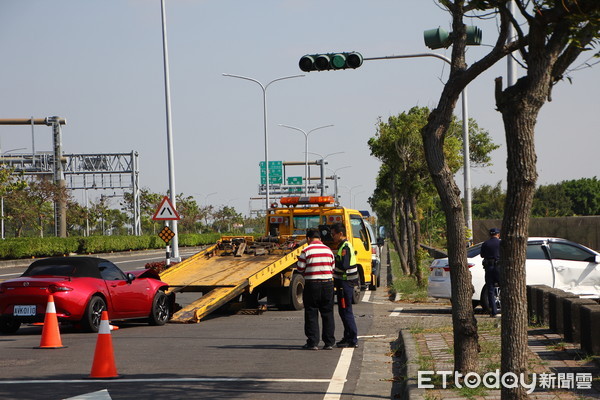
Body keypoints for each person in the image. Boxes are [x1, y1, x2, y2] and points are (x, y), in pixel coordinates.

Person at [296, 227, 336, 350]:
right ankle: (329, 342)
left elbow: (300, 269)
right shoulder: (328, 250)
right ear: (320, 238)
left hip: (312, 284)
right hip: (328, 284)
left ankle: (313, 342)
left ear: (308, 238)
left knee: (311, 312)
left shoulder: (306, 250)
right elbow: (332, 268)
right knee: (328, 313)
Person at [331, 222, 359, 348]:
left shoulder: (345, 247)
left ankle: (352, 338)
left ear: (340, 234)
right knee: (343, 311)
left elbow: (344, 265)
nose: (332, 237)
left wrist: (334, 265)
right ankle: (347, 336)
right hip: (344, 282)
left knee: (346, 311)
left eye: (333, 234)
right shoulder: (343, 245)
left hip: (345, 283)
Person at [480, 227, 501, 317]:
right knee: (503, 288)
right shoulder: (501, 243)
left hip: (489, 267)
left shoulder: (485, 243)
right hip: (499, 267)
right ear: (498, 234)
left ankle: (493, 312)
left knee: (490, 290)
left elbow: (482, 255)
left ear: (490, 235)